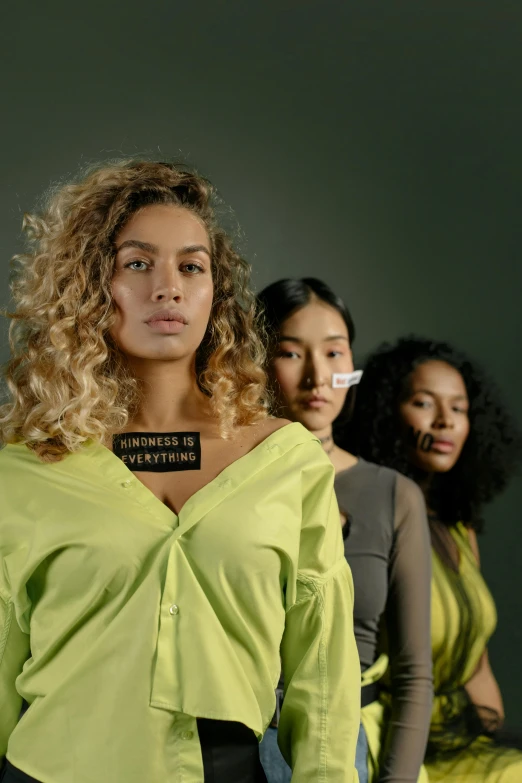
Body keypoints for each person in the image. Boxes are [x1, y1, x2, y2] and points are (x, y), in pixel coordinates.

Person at [0, 161, 361, 783]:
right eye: (137, 263)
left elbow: (321, 662)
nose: (167, 287)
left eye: (190, 266)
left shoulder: (287, 460)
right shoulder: (25, 467)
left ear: (214, 293)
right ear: (89, 285)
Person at [256, 278, 433, 783]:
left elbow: (414, 673)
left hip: (349, 739)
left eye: (335, 354)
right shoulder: (229, 485)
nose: (318, 376)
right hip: (244, 738)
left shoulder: (392, 495)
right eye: (291, 353)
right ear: (258, 362)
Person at [345, 335, 522, 783]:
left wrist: (490, 739)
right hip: (401, 743)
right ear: (387, 415)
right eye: (425, 404)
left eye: (459, 409)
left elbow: (476, 660)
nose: (445, 422)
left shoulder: (460, 530)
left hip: (466, 739)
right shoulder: (371, 523)